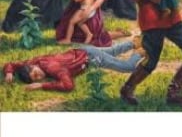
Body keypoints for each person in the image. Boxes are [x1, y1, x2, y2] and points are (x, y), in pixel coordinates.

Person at [3, 40, 144, 92]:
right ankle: (134, 42)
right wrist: (9, 72)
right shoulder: (34, 62)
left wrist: (42, 86)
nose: (39, 77)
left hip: (90, 58)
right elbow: (12, 64)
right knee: (112, 51)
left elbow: (68, 85)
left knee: (127, 67)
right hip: (83, 50)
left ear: (32, 66)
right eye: (36, 79)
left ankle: (141, 52)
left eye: (35, 74)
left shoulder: (52, 68)